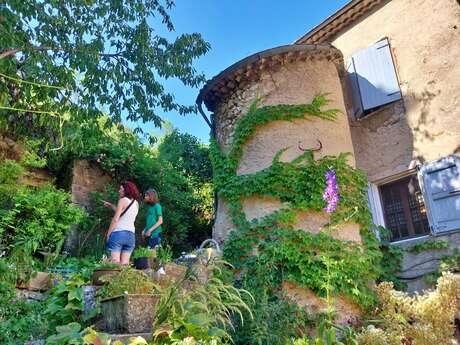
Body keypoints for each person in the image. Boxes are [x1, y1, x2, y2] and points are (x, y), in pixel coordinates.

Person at [103, 181, 140, 265]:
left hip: (118, 234)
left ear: (126, 190)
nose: (119, 191)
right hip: (131, 236)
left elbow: (116, 219)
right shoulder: (136, 203)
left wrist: (108, 234)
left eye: (121, 189)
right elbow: (125, 213)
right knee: (124, 265)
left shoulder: (122, 200)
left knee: (115, 264)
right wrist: (111, 206)